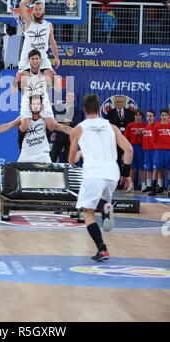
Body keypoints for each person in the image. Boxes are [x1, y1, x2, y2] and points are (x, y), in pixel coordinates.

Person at [69, 94, 133, 262]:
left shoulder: (78, 129)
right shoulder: (111, 127)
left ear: (83, 109)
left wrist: (79, 151)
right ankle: (106, 208)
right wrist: (126, 175)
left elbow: (71, 160)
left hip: (93, 173)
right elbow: (129, 150)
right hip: (112, 173)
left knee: (87, 212)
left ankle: (102, 248)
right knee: (101, 199)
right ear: (99, 109)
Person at [0, 95, 71, 163]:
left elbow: (62, 127)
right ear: (30, 105)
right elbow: (8, 125)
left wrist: (76, 132)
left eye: (38, 104)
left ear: (41, 105)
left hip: (42, 154)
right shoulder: (23, 118)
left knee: (46, 183)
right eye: (34, 104)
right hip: (26, 154)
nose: (36, 106)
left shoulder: (46, 118)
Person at [18, 0, 60, 73]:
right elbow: (22, 5)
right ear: (32, 11)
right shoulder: (29, 21)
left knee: (52, 77)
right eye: (36, 9)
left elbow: (52, 42)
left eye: (40, 9)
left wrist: (56, 57)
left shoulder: (48, 25)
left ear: (43, 10)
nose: (38, 11)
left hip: (42, 58)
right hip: (27, 58)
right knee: (24, 81)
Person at [50, 91, 81, 163]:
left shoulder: (77, 111)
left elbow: (75, 123)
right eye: (69, 96)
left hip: (70, 137)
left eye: (72, 96)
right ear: (66, 97)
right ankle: (50, 172)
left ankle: (68, 173)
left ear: (74, 99)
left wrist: (61, 121)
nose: (70, 98)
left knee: (69, 159)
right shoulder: (59, 107)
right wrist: (65, 120)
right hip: (59, 135)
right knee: (53, 157)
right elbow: (55, 119)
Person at [124, 108, 147, 192]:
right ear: (134, 116)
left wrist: (142, 135)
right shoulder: (130, 125)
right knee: (132, 168)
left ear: (142, 116)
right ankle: (131, 185)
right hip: (132, 147)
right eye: (136, 115)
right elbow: (125, 139)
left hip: (142, 147)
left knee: (142, 167)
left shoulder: (145, 126)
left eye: (139, 115)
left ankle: (144, 185)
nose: (138, 117)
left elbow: (148, 138)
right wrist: (125, 151)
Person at [151, 109, 170, 196]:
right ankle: (153, 189)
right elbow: (153, 141)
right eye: (162, 115)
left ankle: (169, 190)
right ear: (160, 116)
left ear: (168, 116)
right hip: (159, 151)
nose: (164, 117)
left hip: (169, 151)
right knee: (156, 169)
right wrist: (159, 147)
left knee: (169, 170)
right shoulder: (156, 126)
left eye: (165, 115)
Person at [142, 109, 157, 193]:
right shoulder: (145, 127)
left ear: (154, 117)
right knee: (148, 168)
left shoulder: (156, 126)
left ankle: (156, 186)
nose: (149, 118)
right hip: (146, 150)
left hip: (154, 150)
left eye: (151, 116)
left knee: (156, 168)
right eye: (148, 116)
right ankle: (148, 186)